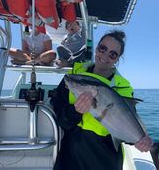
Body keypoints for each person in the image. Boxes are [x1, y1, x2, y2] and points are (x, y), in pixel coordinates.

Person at [50, 30, 153, 170]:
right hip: (70, 157)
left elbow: (128, 125)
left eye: (113, 54)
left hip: (104, 159)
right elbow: (60, 118)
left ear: (117, 58)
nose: (105, 55)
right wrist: (75, 111)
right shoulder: (74, 76)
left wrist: (143, 140)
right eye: (103, 48)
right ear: (97, 47)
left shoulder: (123, 86)